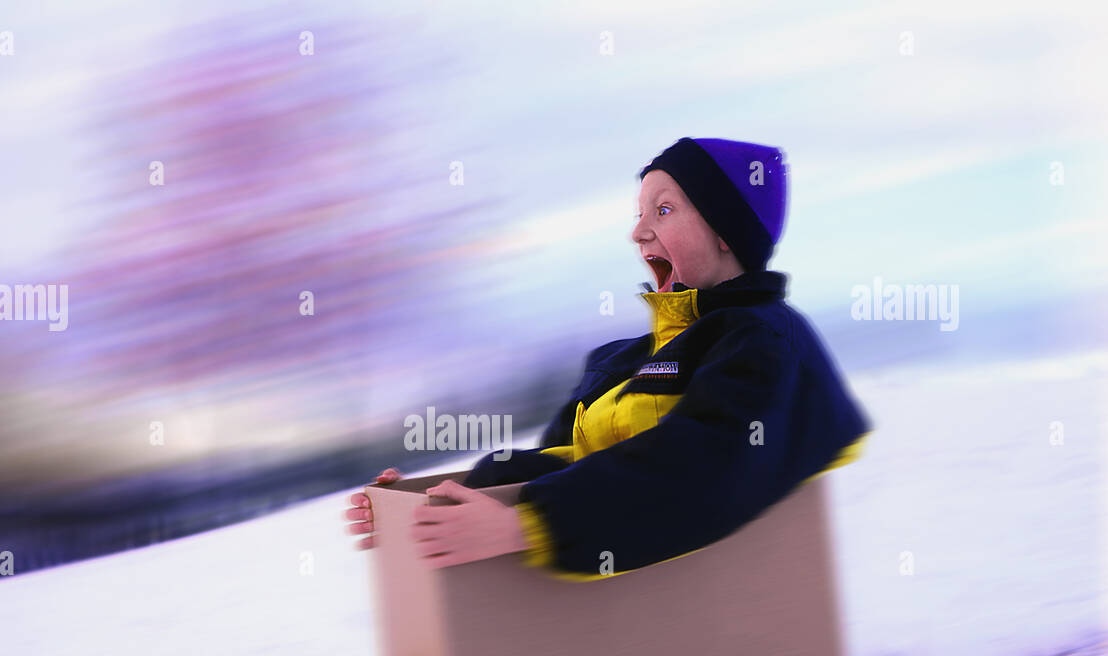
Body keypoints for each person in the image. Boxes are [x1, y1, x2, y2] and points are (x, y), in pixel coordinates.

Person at [345, 137, 871, 577]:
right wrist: (424, 504)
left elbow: (706, 468)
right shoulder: (625, 361)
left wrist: (526, 524)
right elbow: (560, 464)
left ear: (725, 232)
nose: (638, 231)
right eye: (639, 214)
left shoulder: (766, 340)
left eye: (663, 210)